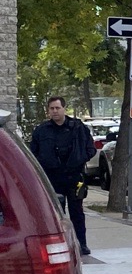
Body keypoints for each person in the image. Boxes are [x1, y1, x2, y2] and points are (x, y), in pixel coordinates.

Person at [30, 96, 96, 255]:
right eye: (51, 108)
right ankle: (58, 246)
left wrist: (79, 159)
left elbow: (90, 149)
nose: (54, 111)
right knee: (55, 214)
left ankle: (81, 244)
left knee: (77, 212)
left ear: (64, 109)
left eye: (57, 108)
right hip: (53, 178)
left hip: (74, 177)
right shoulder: (42, 130)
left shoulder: (78, 128)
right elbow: (33, 153)